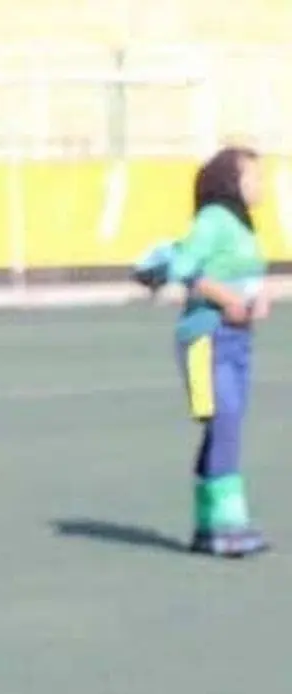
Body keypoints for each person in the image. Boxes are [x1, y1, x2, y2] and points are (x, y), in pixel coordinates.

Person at [166, 145, 271, 558]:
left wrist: (259, 298)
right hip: (205, 338)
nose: (260, 184)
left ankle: (208, 526)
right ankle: (228, 525)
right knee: (223, 420)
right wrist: (227, 299)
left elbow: (245, 274)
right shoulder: (212, 219)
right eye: (253, 176)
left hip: (238, 338)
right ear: (231, 181)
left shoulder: (243, 225)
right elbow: (183, 268)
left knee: (226, 424)